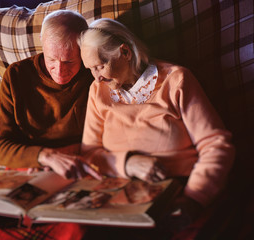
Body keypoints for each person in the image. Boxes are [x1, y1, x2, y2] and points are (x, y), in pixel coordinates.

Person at [78, 18, 235, 225]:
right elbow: (89, 154)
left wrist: (194, 198)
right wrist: (127, 163)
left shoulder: (177, 80)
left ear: (125, 52)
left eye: (100, 66)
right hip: (116, 192)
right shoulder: (97, 91)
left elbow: (216, 144)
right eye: (90, 69)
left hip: (178, 191)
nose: (96, 78)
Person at [0, 10, 99, 180]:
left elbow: (112, 134)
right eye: (51, 60)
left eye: (69, 61)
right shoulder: (17, 75)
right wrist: (44, 157)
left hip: (84, 163)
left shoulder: (94, 72)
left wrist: (65, 154)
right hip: (33, 168)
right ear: (42, 43)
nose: (60, 71)